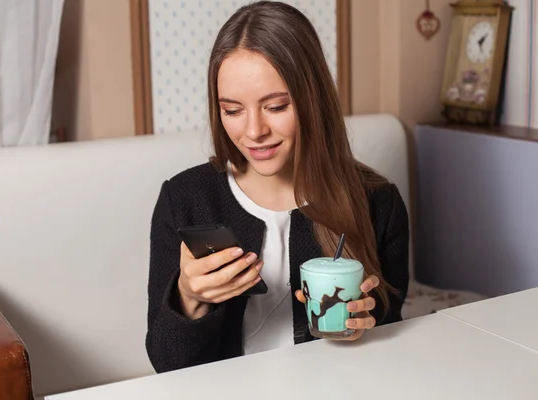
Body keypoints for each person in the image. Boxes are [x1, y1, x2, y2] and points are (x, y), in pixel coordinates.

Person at [146, 0, 409, 374]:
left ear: (312, 101)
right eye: (233, 110)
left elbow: (390, 336)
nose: (254, 131)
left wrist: (366, 329)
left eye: (276, 106)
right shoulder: (185, 199)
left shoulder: (378, 202)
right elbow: (165, 363)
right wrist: (189, 298)